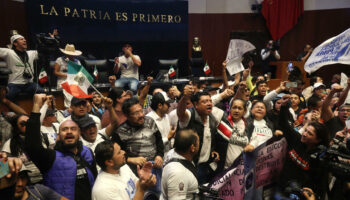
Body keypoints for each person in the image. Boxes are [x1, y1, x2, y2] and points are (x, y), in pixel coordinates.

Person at [24, 94, 97, 200]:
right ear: (58, 135)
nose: (69, 132)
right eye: (64, 129)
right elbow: (31, 145)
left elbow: (94, 179)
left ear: (79, 133)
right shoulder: (50, 157)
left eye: (73, 129)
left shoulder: (88, 152)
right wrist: (36, 105)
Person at [277, 96, 330, 199]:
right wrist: (283, 106)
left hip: (300, 195)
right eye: (306, 130)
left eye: (309, 134)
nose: (304, 134)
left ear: (318, 140)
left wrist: (314, 195)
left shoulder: (319, 156)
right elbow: (284, 124)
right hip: (282, 187)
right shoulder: (297, 139)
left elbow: (318, 182)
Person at [112, 97, 164, 196]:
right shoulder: (120, 132)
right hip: (136, 173)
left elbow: (159, 141)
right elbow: (114, 156)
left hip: (155, 168)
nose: (141, 115)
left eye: (141, 111)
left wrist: (159, 155)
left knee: (157, 195)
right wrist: (130, 159)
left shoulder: (150, 121)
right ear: (126, 115)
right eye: (135, 113)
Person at [177, 85, 223, 184]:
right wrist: (184, 97)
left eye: (210, 101)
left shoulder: (212, 119)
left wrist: (213, 151)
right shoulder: (190, 115)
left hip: (205, 166)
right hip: (188, 165)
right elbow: (180, 113)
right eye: (204, 102)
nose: (209, 104)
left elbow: (208, 139)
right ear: (196, 105)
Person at [92, 141, 156, 200]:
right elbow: (140, 190)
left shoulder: (122, 167)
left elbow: (135, 186)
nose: (124, 152)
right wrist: (142, 190)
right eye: (119, 152)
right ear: (109, 162)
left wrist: (143, 180)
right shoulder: (103, 190)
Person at [0, 34, 44, 102]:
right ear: (15, 43)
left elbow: (45, 53)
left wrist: (48, 41)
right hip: (14, 83)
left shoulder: (31, 53)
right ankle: (14, 112)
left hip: (29, 83)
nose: (25, 40)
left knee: (41, 91)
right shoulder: (9, 52)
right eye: (21, 39)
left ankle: (39, 110)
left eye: (24, 39)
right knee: (9, 96)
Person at [160, 129, 200, 200]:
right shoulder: (178, 172)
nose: (200, 144)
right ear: (192, 148)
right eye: (198, 142)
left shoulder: (176, 154)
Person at [146, 92, 176, 157]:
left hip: (168, 155)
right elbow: (150, 144)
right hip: (156, 158)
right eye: (167, 104)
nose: (170, 106)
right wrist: (168, 137)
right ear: (159, 105)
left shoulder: (167, 116)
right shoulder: (149, 120)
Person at [54, 44, 82, 108]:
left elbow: (80, 73)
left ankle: (79, 106)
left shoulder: (77, 61)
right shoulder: (59, 60)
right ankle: (70, 107)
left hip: (74, 80)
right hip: (62, 81)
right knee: (70, 87)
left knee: (80, 86)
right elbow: (56, 72)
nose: (71, 55)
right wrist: (67, 75)